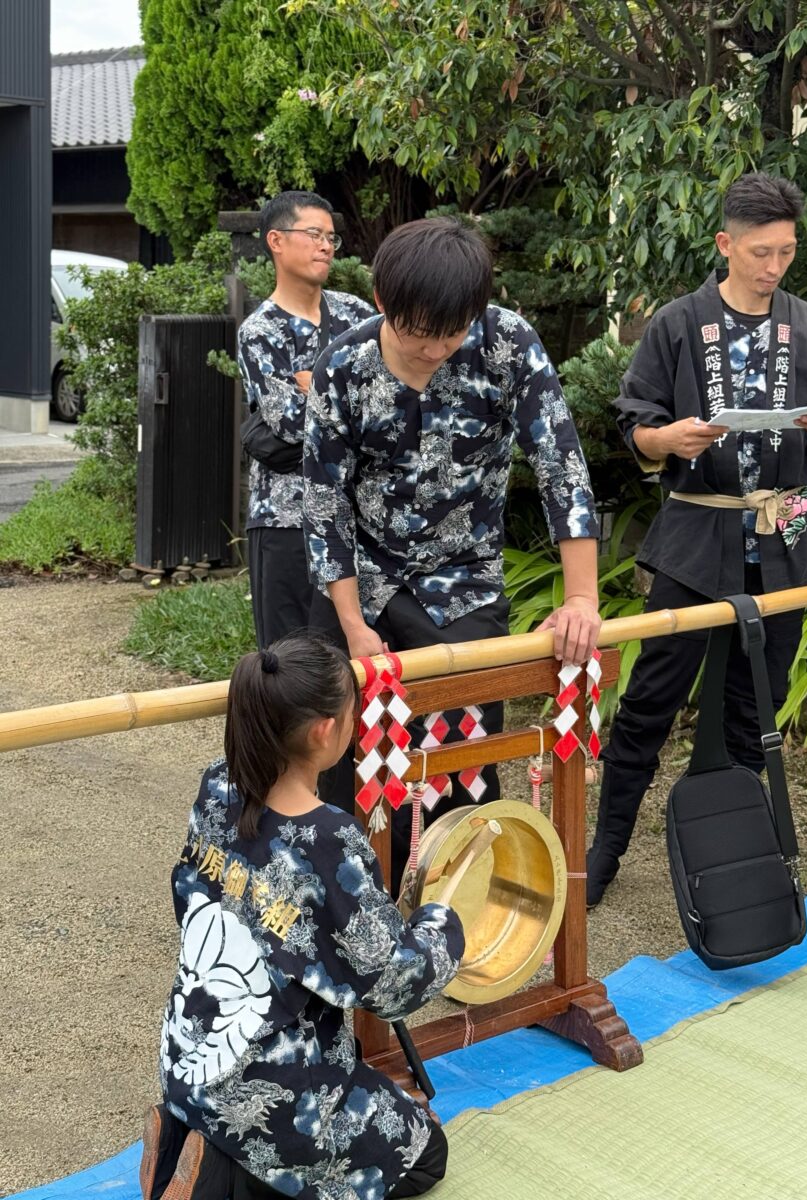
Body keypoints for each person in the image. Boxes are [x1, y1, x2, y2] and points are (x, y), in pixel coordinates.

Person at [585, 172, 807, 907]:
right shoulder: (680, 322)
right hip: (699, 514)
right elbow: (635, 421)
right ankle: (605, 849)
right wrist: (665, 435)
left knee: (757, 704)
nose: (774, 267)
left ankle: (743, 859)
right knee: (652, 695)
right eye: (761, 251)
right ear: (726, 244)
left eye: (786, 252)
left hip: (792, 519)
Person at [302, 216, 602, 893]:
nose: (436, 349)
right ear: (381, 300)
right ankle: (348, 905)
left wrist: (581, 597)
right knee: (341, 752)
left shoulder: (506, 343)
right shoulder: (344, 366)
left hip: (461, 585)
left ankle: (451, 904)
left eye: (453, 332)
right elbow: (324, 506)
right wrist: (352, 624)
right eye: (418, 333)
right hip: (361, 583)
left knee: (461, 756)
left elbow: (561, 467)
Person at [140, 636, 464, 1199]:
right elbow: (389, 988)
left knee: (372, 1101)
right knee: (425, 1152)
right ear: (323, 730)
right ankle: (224, 1179)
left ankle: (184, 1141)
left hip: (189, 1059)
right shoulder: (329, 842)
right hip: (275, 1092)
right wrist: (442, 925)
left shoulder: (217, 786)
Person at [238, 191, 375, 650]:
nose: (326, 246)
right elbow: (290, 424)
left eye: (331, 237)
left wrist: (311, 383)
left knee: (353, 659)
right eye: (313, 234)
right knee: (290, 661)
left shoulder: (357, 316)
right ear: (276, 241)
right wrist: (340, 393)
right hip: (285, 519)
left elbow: (385, 402)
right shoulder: (260, 332)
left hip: (358, 516)